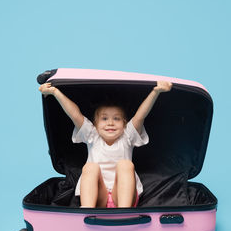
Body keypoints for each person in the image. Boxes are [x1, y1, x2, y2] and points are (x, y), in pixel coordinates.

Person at [39, 80, 172, 208]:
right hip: (97, 197)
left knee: (125, 165)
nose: (110, 123)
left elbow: (140, 115)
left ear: (124, 124)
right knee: (90, 167)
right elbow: (74, 114)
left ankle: (124, 212)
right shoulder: (92, 136)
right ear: (95, 125)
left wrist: (156, 92)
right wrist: (55, 92)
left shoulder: (127, 136)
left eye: (116, 118)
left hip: (123, 198)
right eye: (104, 118)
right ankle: (87, 210)